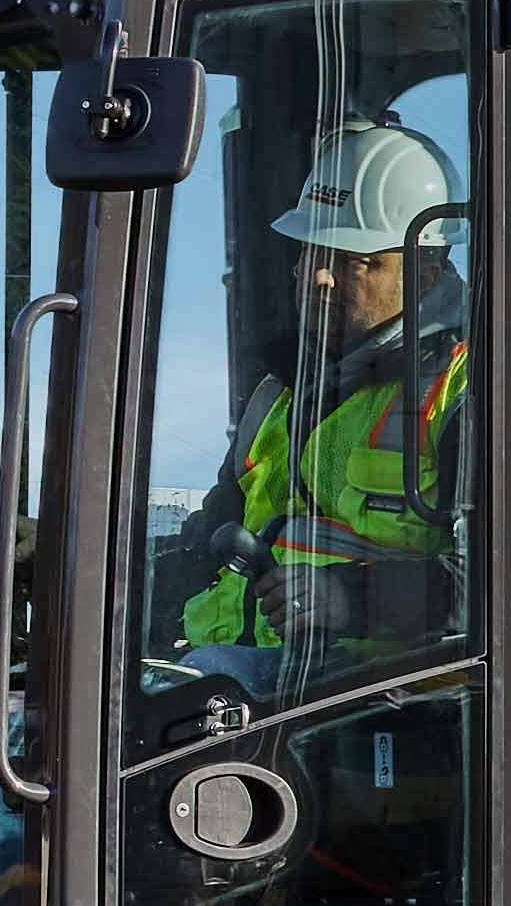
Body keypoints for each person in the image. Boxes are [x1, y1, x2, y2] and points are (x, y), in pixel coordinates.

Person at [170, 115, 471, 676]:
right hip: (255, 688)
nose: (320, 277)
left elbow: (501, 586)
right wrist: (61, 568)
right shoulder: (279, 394)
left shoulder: (469, 392)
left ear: (426, 274)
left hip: (388, 707)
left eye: (354, 261)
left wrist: (349, 599)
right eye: (312, 252)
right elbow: (202, 551)